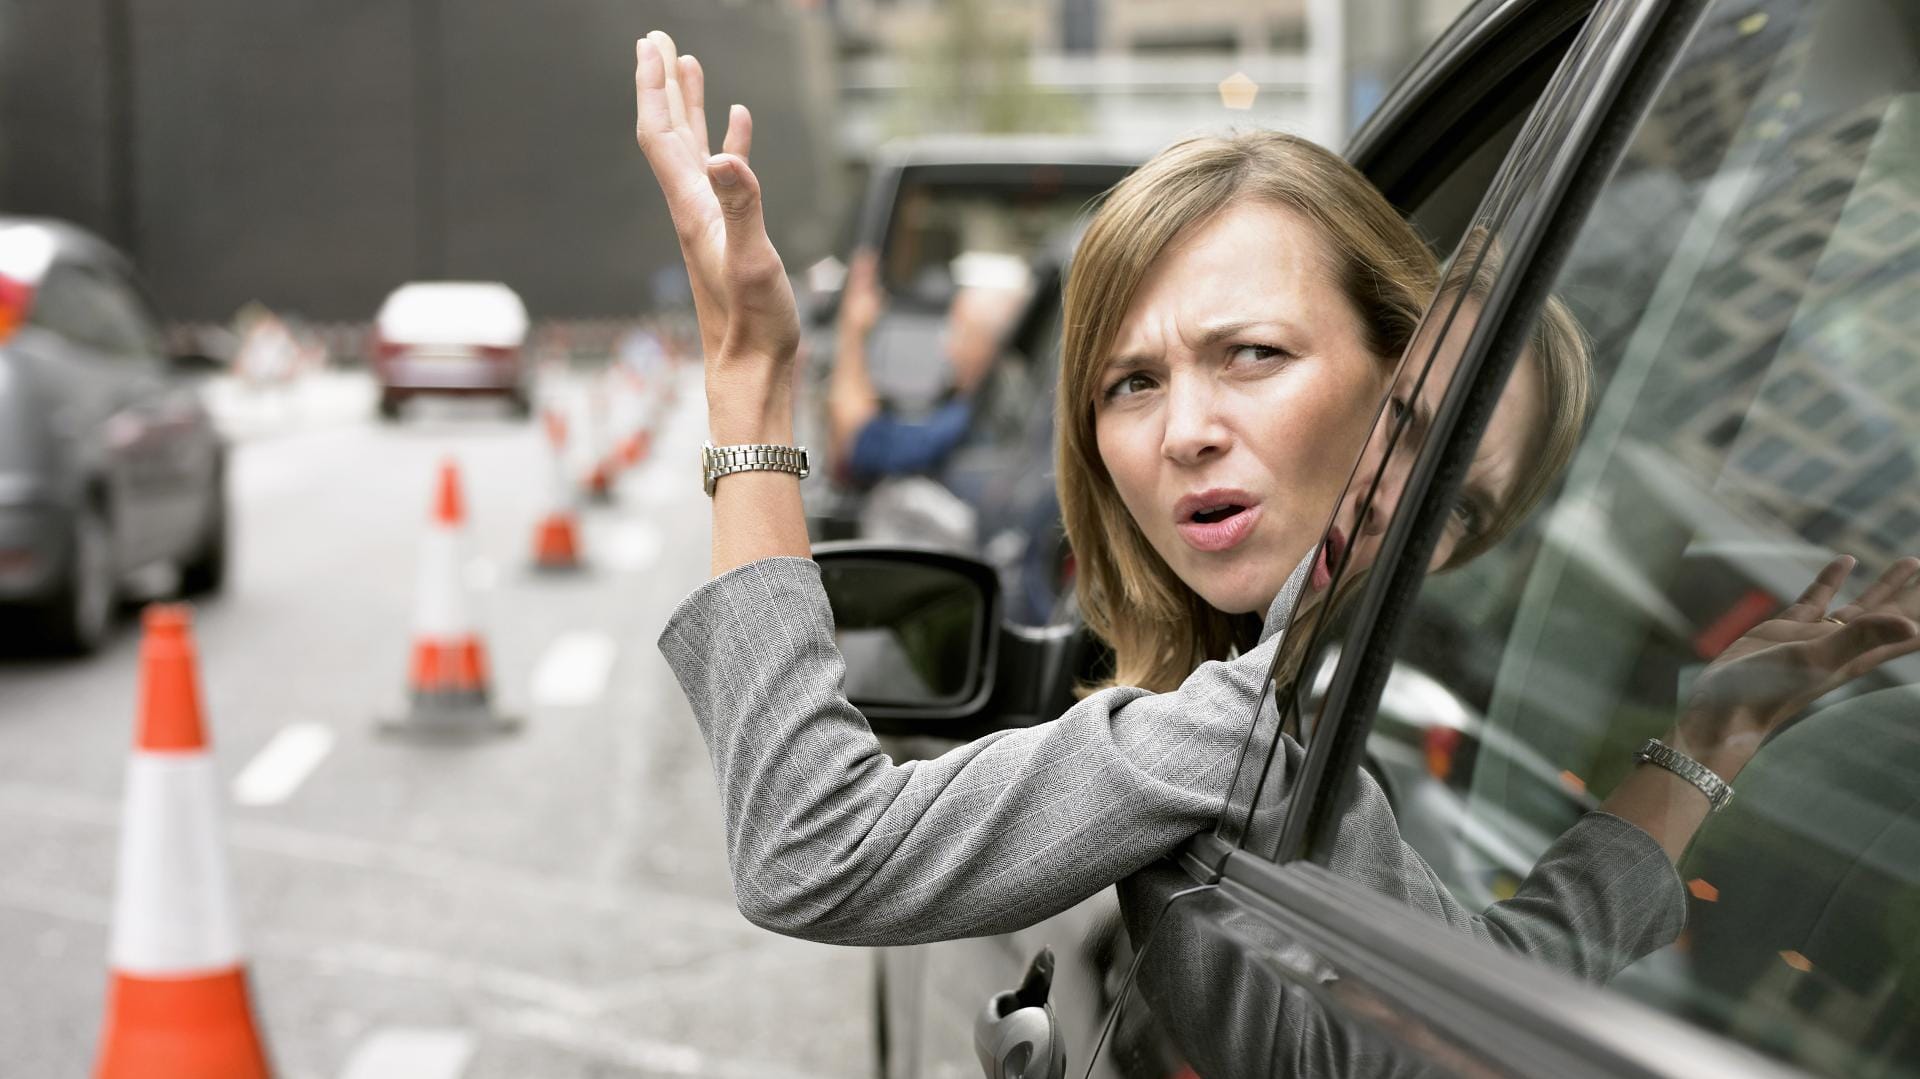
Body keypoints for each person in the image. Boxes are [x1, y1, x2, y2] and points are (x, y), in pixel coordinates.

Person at [630, 29, 1920, 979]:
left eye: (1251, 354)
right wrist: (1712, 737)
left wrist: (752, 392)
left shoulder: (1249, 726)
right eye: (1131, 381)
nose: (1186, 430)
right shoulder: (1248, 720)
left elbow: (811, 843)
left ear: (1392, 383)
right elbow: (1507, 968)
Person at [826, 248, 1032, 483]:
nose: (948, 348)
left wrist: (853, 332)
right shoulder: (998, 411)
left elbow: (854, 439)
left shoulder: (967, 427)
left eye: (959, 332)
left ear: (985, 345)